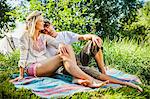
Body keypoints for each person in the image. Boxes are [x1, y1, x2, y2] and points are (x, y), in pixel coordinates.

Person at [9, 11, 110, 88]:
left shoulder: (43, 37)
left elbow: (57, 43)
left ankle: (79, 77)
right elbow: (23, 56)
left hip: (46, 68)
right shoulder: (25, 36)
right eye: (41, 21)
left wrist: (61, 44)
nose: (43, 23)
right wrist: (21, 75)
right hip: (32, 68)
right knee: (62, 56)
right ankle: (91, 80)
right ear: (35, 23)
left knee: (67, 46)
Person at [42, 19, 143, 92]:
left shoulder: (64, 34)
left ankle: (102, 71)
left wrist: (93, 36)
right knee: (88, 70)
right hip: (65, 66)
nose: (47, 30)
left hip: (77, 59)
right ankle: (124, 83)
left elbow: (83, 37)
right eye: (43, 30)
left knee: (94, 43)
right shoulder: (45, 41)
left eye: (47, 26)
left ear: (51, 24)